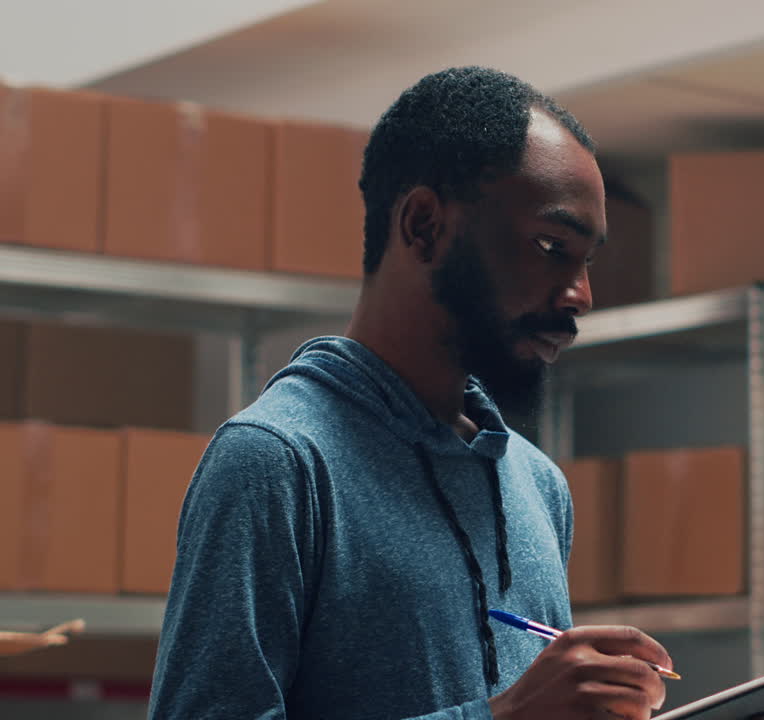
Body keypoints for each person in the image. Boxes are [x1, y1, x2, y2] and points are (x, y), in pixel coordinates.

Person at [149, 66, 673, 720]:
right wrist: (503, 717)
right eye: (550, 246)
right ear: (424, 225)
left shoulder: (539, 485)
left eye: (586, 261)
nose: (581, 296)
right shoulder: (274, 463)